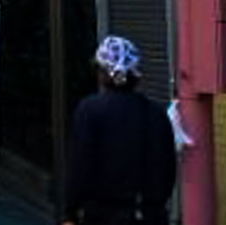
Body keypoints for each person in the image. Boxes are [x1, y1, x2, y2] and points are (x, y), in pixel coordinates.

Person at [59, 36, 177, 225]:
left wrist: (70, 212)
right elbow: (168, 169)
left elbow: (80, 165)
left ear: (103, 73)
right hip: (149, 214)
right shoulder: (156, 114)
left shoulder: (90, 110)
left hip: (102, 215)